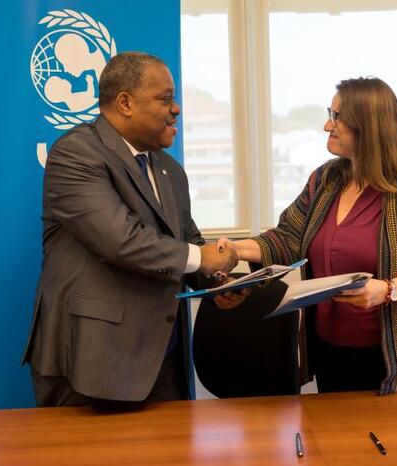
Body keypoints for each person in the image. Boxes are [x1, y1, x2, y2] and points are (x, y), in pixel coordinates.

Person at [219, 77, 397, 394]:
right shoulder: (325, 179)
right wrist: (236, 250)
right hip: (330, 352)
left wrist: (388, 290)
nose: (326, 125)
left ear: (368, 126)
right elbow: (288, 238)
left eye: (337, 117)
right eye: (329, 114)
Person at [22, 52, 237, 407]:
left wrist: (217, 284)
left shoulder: (168, 168)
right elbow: (121, 241)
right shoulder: (75, 154)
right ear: (125, 103)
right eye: (165, 98)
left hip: (163, 361)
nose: (177, 108)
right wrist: (204, 259)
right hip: (94, 362)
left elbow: (185, 241)